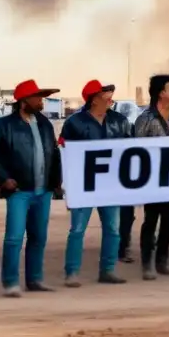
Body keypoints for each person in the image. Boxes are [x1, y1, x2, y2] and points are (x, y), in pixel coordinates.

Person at [0, 79, 64, 297]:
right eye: (37, 98)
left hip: (43, 191)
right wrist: (4, 179)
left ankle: (35, 280)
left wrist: (56, 183)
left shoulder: (45, 124)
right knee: (14, 238)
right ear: (23, 101)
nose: (41, 102)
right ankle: (10, 283)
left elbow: (54, 156)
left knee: (38, 237)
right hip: (19, 191)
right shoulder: (3, 125)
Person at [60, 79, 130, 287]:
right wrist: (64, 181)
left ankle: (108, 270)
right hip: (84, 184)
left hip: (112, 184)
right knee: (78, 229)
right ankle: (72, 272)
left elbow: (131, 147)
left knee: (113, 229)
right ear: (94, 99)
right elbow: (63, 152)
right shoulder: (75, 123)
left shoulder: (120, 120)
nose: (110, 99)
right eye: (105, 95)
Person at [132, 74, 169, 281]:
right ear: (161, 94)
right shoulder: (145, 119)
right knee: (151, 220)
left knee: (168, 220)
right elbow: (135, 148)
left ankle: (162, 261)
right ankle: (147, 264)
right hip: (152, 179)